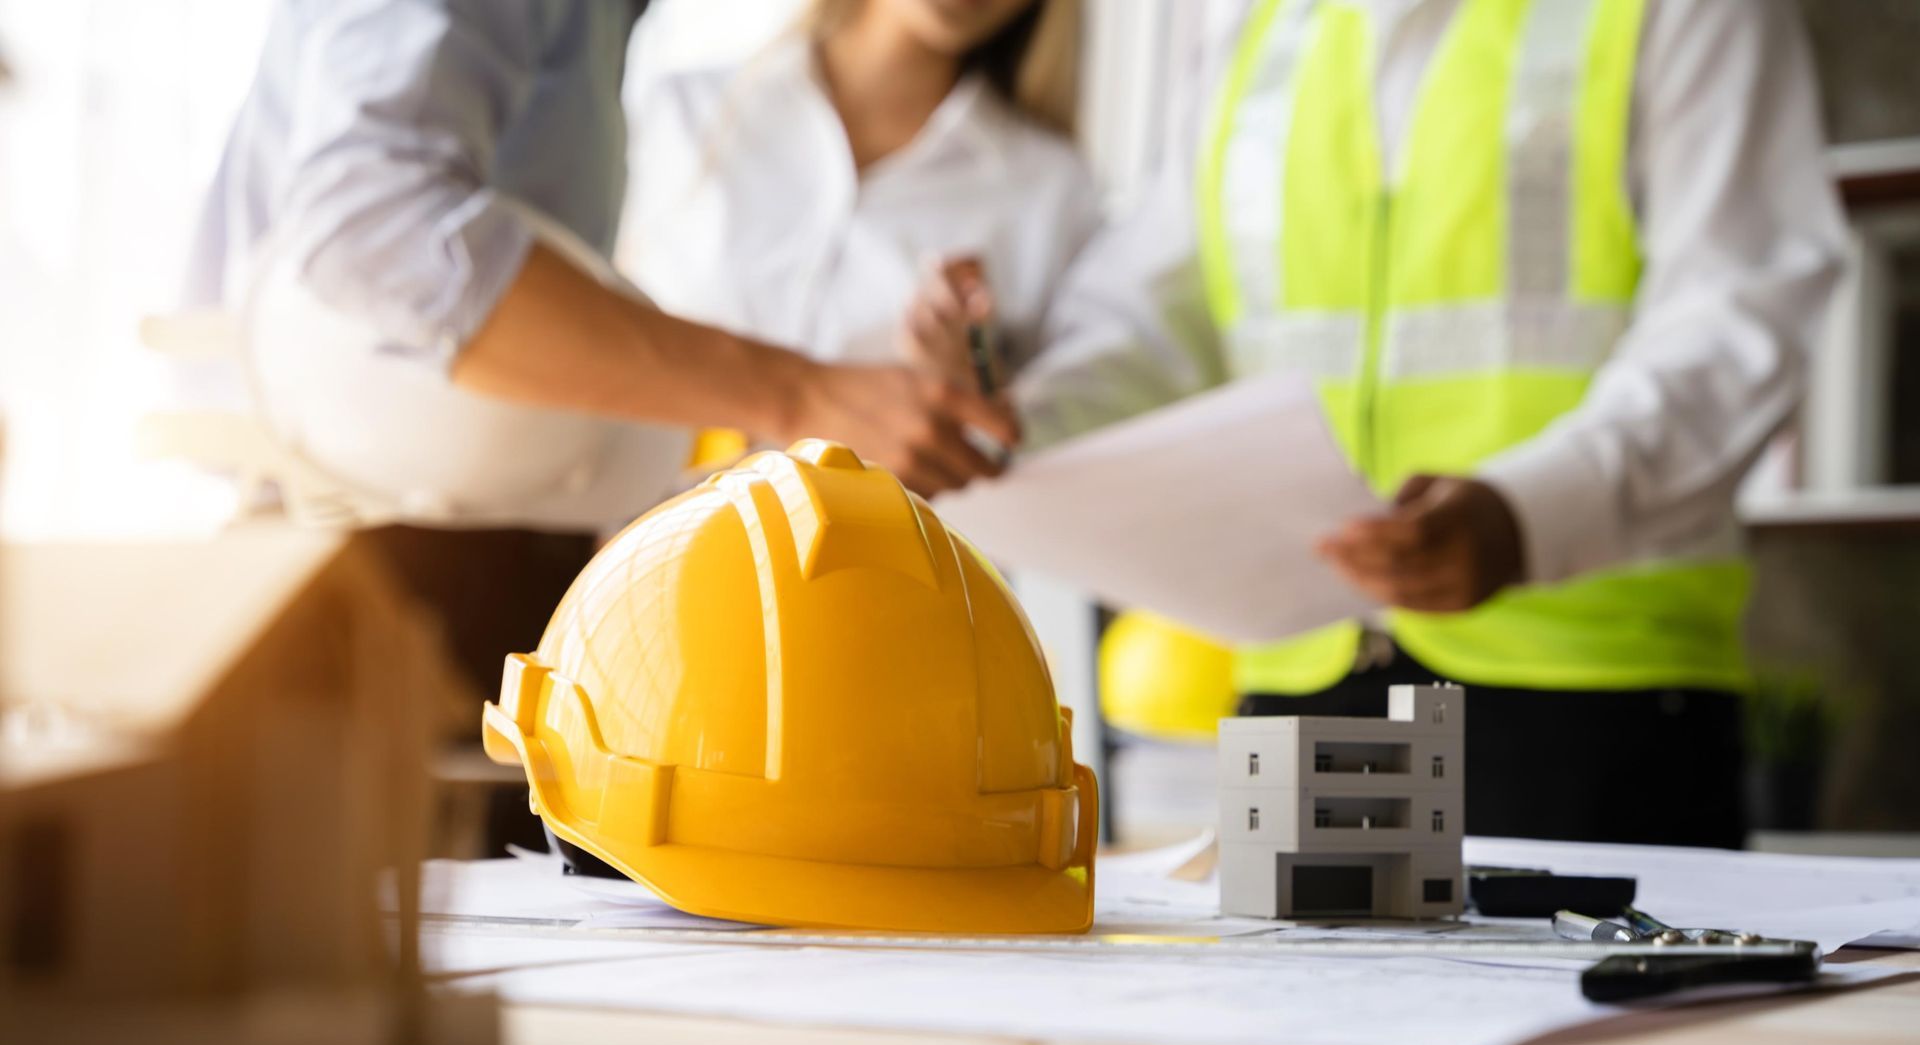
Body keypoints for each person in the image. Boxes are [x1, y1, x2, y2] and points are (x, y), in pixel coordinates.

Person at [923, 0, 1848, 849]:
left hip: (1590, 691)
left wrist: (1534, 512)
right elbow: (1154, 321)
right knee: (1279, 1029)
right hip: (1300, 689)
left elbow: (1739, 309)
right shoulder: (1258, 30)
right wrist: (1002, 422)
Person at [181, 0, 1016, 515]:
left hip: (507, 523)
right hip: (337, 509)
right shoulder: (697, 99)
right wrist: (800, 394)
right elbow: (374, 227)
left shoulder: (617, 31)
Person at [619, 0, 1095, 461]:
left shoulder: (1051, 190)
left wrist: (963, 394)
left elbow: (1017, 448)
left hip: (874, 536)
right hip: (650, 530)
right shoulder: (682, 113)